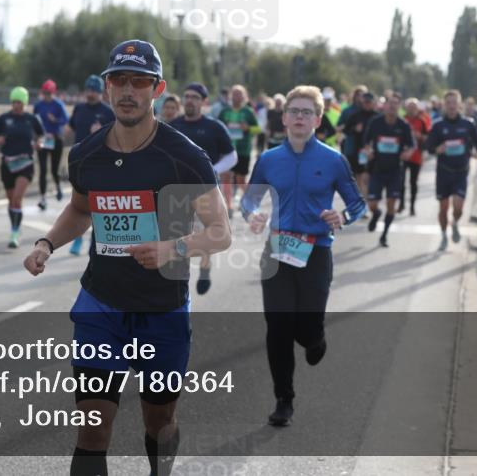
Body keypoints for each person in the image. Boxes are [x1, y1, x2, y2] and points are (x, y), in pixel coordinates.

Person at [22, 39, 230, 476]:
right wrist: (47, 244)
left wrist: (173, 248)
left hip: (163, 309)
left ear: (158, 89)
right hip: (102, 305)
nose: (128, 90)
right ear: (107, 85)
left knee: (160, 423)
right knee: (92, 430)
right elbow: (81, 209)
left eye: (140, 81)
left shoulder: (185, 158)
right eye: (119, 80)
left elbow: (220, 232)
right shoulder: (87, 155)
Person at [241, 85, 366, 427]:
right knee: (278, 326)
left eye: (306, 112)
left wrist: (342, 217)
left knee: (306, 328)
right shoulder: (268, 160)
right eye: (293, 111)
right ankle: (284, 399)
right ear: (283, 118)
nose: (299, 117)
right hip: (277, 251)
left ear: (318, 119)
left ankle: (315, 337)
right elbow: (248, 199)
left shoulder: (332, 159)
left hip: (316, 251)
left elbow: (357, 203)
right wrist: (251, 214)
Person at [169, 82, 237, 295]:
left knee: (202, 234)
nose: (189, 100)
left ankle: (205, 269)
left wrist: (213, 170)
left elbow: (232, 156)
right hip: (176, 192)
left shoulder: (214, 127)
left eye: (195, 97)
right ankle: (180, 276)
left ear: (203, 102)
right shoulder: (173, 126)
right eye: (187, 96)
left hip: (205, 191)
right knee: (177, 235)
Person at [425, 90, 477, 251]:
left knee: (458, 207)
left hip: (461, 171)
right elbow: (429, 148)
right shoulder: (438, 125)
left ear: (459, 105)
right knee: (443, 208)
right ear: (444, 105)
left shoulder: (468, 124)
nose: (451, 106)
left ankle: (455, 222)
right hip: (443, 172)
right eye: (448, 103)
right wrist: (438, 149)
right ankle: (443, 235)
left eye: (454, 103)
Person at [66, 75, 116, 256]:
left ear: (102, 92)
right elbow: (70, 127)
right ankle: (77, 239)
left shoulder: (108, 112)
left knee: (97, 206)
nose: (90, 94)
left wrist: (99, 133)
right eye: (88, 90)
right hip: (80, 163)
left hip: (101, 163)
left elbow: (117, 137)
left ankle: (95, 243)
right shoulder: (79, 108)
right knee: (79, 205)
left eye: (94, 90)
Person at [0, 87, 43, 248]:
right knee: (10, 200)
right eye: (14, 102)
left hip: (25, 163)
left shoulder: (31, 119)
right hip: (7, 164)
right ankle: (16, 225)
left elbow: (41, 134)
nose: (16, 105)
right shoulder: (3, 118)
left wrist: (39, 143)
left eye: (19, 102)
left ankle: (14, 232)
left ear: (25, 103)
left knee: (17, 199)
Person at [362, 92, 415, 247]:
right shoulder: (375, 122)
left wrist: (408, 153)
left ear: (399, 107)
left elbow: (412, 145)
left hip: (395, 171)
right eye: (390, 103)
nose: (392, 106)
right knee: (372, 203)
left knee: (391, 204)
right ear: (385, 105)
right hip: (377, 168)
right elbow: (366, 141)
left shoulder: (403, 125)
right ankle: (376, 213)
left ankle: (384, 235)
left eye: (395, 104)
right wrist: (368, 151)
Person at [218, 85, 260, 218]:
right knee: (226, 178)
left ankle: (250, 202)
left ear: (244, 97)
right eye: (235, 94)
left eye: (239, 94)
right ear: (230, 96)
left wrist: (247, 128)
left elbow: (257, 130)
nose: (237, 96)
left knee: (240, 179)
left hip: (243, 149)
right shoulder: (224, 111)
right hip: (227, 150)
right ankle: (228, 206)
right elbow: (216, 128)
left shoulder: (248, 112)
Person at [34, 79, 68, 210]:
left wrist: (55, 120)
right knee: (42, 169)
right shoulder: (39, 105)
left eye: (49, 93)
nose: (46, 95)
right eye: (44, 93)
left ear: (53, 93)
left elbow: (65, 120)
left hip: (55, 139)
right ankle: (42, 198)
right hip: (43, 139)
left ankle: (58, 186)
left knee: (54, 169)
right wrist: (36, 137)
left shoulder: (58, 105)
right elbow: (34, 120)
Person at [341, 92, 378, 200]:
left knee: (370, 177)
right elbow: (345, 130)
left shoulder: (378, 116)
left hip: (374, 152)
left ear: (373, 103)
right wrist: (354, 129)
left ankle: (370, 198)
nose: (367, 104)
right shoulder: (355, 116)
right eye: (365, 102)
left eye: (369, 102)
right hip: (359, 151)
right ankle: (362, 202)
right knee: (359, 177)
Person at [400, 98, 431, 216]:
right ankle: (401, 203)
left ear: (417, 109)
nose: (412, 109)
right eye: (410, 107)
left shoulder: (421, 121)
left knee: (413, 182)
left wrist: (420, 136)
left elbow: (428, 137)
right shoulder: (402, 120)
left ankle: (412, 206)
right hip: (403, 155)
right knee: (401, 181)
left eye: (414, 107)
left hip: (416, 156)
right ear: (406, 108)